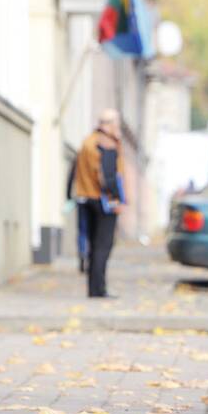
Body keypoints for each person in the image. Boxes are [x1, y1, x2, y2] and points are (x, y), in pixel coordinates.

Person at [72, 109, 125, 298]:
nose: (118, 127)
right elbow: (108, 176)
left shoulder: (87, 142)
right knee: (103, 245)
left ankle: (93, 288)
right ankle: (99, 289)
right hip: (103, 201)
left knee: (94, 245)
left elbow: (74, 170)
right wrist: (117, 199)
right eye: (116, 123)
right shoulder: (107, 144)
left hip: (85, 197)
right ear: (109, 124)